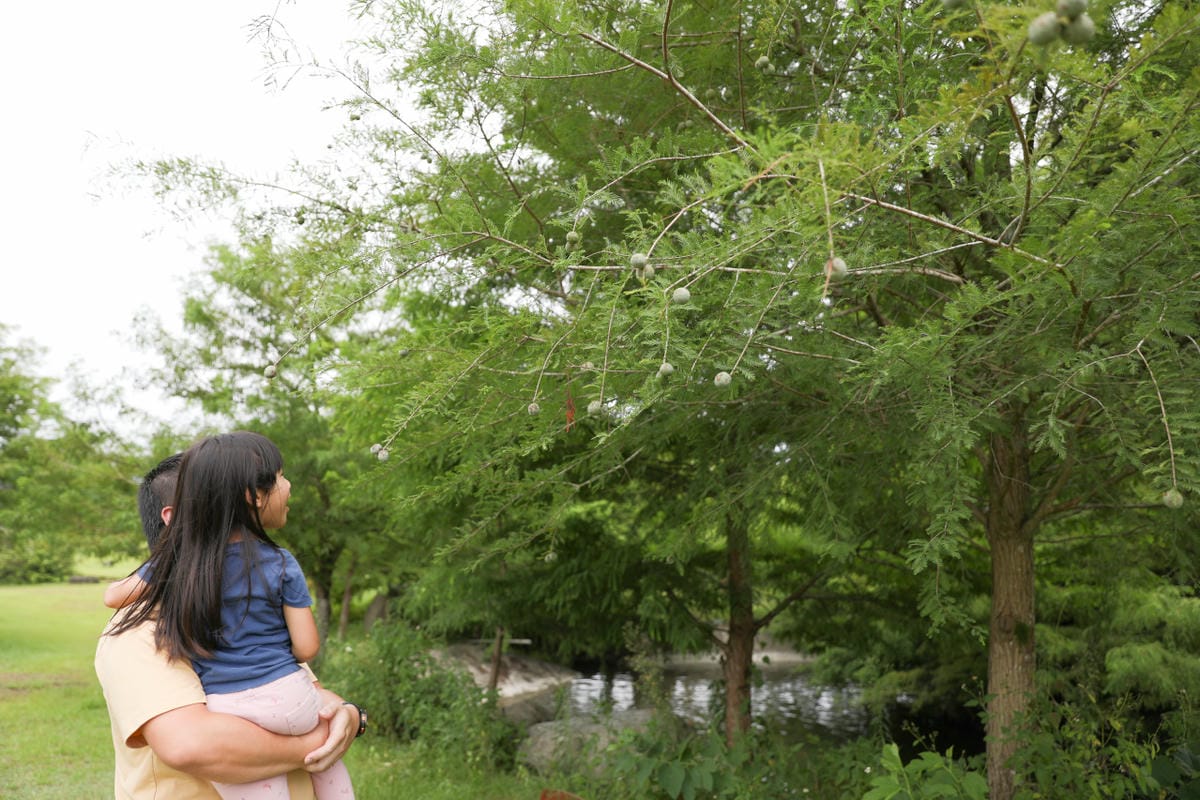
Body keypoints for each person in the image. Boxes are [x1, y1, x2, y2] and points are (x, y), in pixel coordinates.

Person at [98, 438, 360, 799]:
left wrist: (349, 714)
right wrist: (320, 740)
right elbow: (191, 744)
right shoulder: (137, 630)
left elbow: (304, 687)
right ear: (176, 519)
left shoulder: (253, 601)